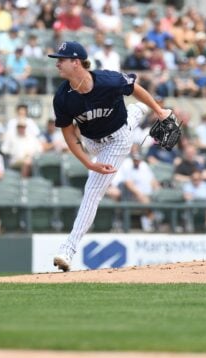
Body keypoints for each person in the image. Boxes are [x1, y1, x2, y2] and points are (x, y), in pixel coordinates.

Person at [47, 41, 172, 271]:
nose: (57, 64)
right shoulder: (63, 97)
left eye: (61, 60)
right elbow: (68, 135)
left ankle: (68, 248)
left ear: (76, 62)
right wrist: (88, 163)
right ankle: (137, 112)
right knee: (130, 117)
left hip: (117, 141)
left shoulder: (108, 80)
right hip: (91, 141)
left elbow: (134, 88)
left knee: (92, 191)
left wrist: (159, 111)